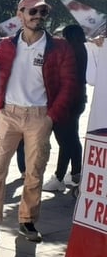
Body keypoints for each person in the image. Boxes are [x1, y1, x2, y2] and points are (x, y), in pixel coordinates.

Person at [0, 0, 77, 243]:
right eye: (33, 11)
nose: (38, 16)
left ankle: (27, 221)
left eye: (43, 12)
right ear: (20, 14)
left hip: (39, 116)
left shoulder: (59, 47)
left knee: (34, 172)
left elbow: (69, 85)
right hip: (8, 114)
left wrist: (51, 117)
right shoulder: (4, 45)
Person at [44, 24, 88, 191]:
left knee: (64, 140)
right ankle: (76, 173)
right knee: (72, 138)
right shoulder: (84, 49)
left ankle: (59, 177)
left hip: (67, 100)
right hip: (79, 100)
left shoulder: (69, 51)